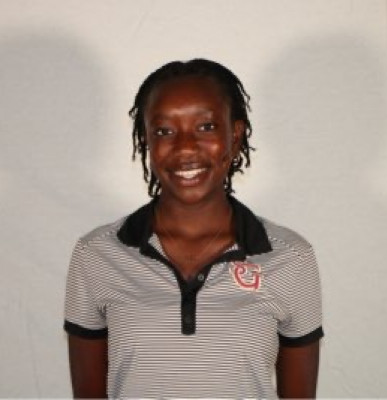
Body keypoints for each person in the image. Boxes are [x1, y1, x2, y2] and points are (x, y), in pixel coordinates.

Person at [64, 58, 324, 399]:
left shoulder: (290, 257)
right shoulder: (97, 254)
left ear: (235, 135)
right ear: (146, 140)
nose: (185, 147)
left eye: (206, 126)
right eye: (164, 131)